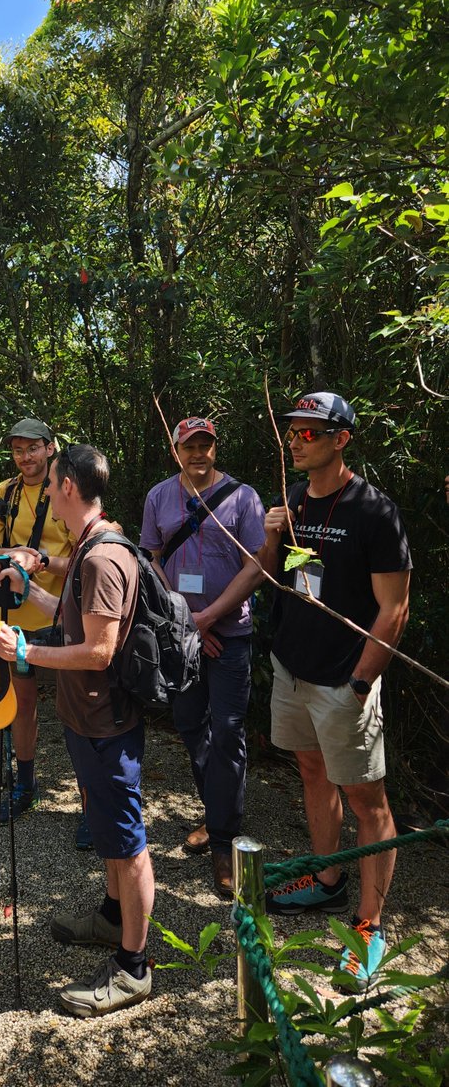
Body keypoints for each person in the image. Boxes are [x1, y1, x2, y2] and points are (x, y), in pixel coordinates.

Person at [0, 444, 154, 1018]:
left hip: (106, 718)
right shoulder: (87, 546)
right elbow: (71, 620)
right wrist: (23, 589)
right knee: (110, 829)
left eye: (52, 480)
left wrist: (25, 649)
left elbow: (101, 651)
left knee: (127, 842)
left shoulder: (103, 556)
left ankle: (134, 968)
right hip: (86, 718)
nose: (47, 490)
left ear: (66, 487)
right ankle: (112, 919)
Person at [259, 391, 412, 990]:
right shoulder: (293, 499)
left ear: (341, 438)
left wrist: (359, 683)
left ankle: (369, 926)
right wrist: (273, 535)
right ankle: (327, 881)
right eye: (293, 432)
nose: (297, 441)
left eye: (309, 433)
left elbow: (393, 609)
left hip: (344, 680)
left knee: (367, 801)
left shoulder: (374, 510)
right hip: (293, 668)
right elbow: (279, 578)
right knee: (311, 770)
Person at [140, 417, 266, 898]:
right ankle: (218, 812)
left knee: (229, 730)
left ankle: (223, 840)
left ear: (215, 449)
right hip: (180, 637)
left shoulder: (243, 498)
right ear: (175, 450)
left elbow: (258, 564)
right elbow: (150, 560)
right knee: (191, 724)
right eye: (189, 446)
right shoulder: (158, 498)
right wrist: (184, 619)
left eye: (205, 445)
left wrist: (209, 617)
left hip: (229, 633)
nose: (198, 453)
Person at [0, 419, 74, 830]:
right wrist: (13, 553)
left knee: (77, 707)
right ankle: (26, 787)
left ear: (50, 449)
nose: (25, 457)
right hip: (16, 620)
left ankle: (89, 797)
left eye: (32, 448)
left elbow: (93, 556)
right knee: (23, 705)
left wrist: (43, 561)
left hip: (66, 617)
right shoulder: (6, 493)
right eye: (17, 449)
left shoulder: (69, 486)